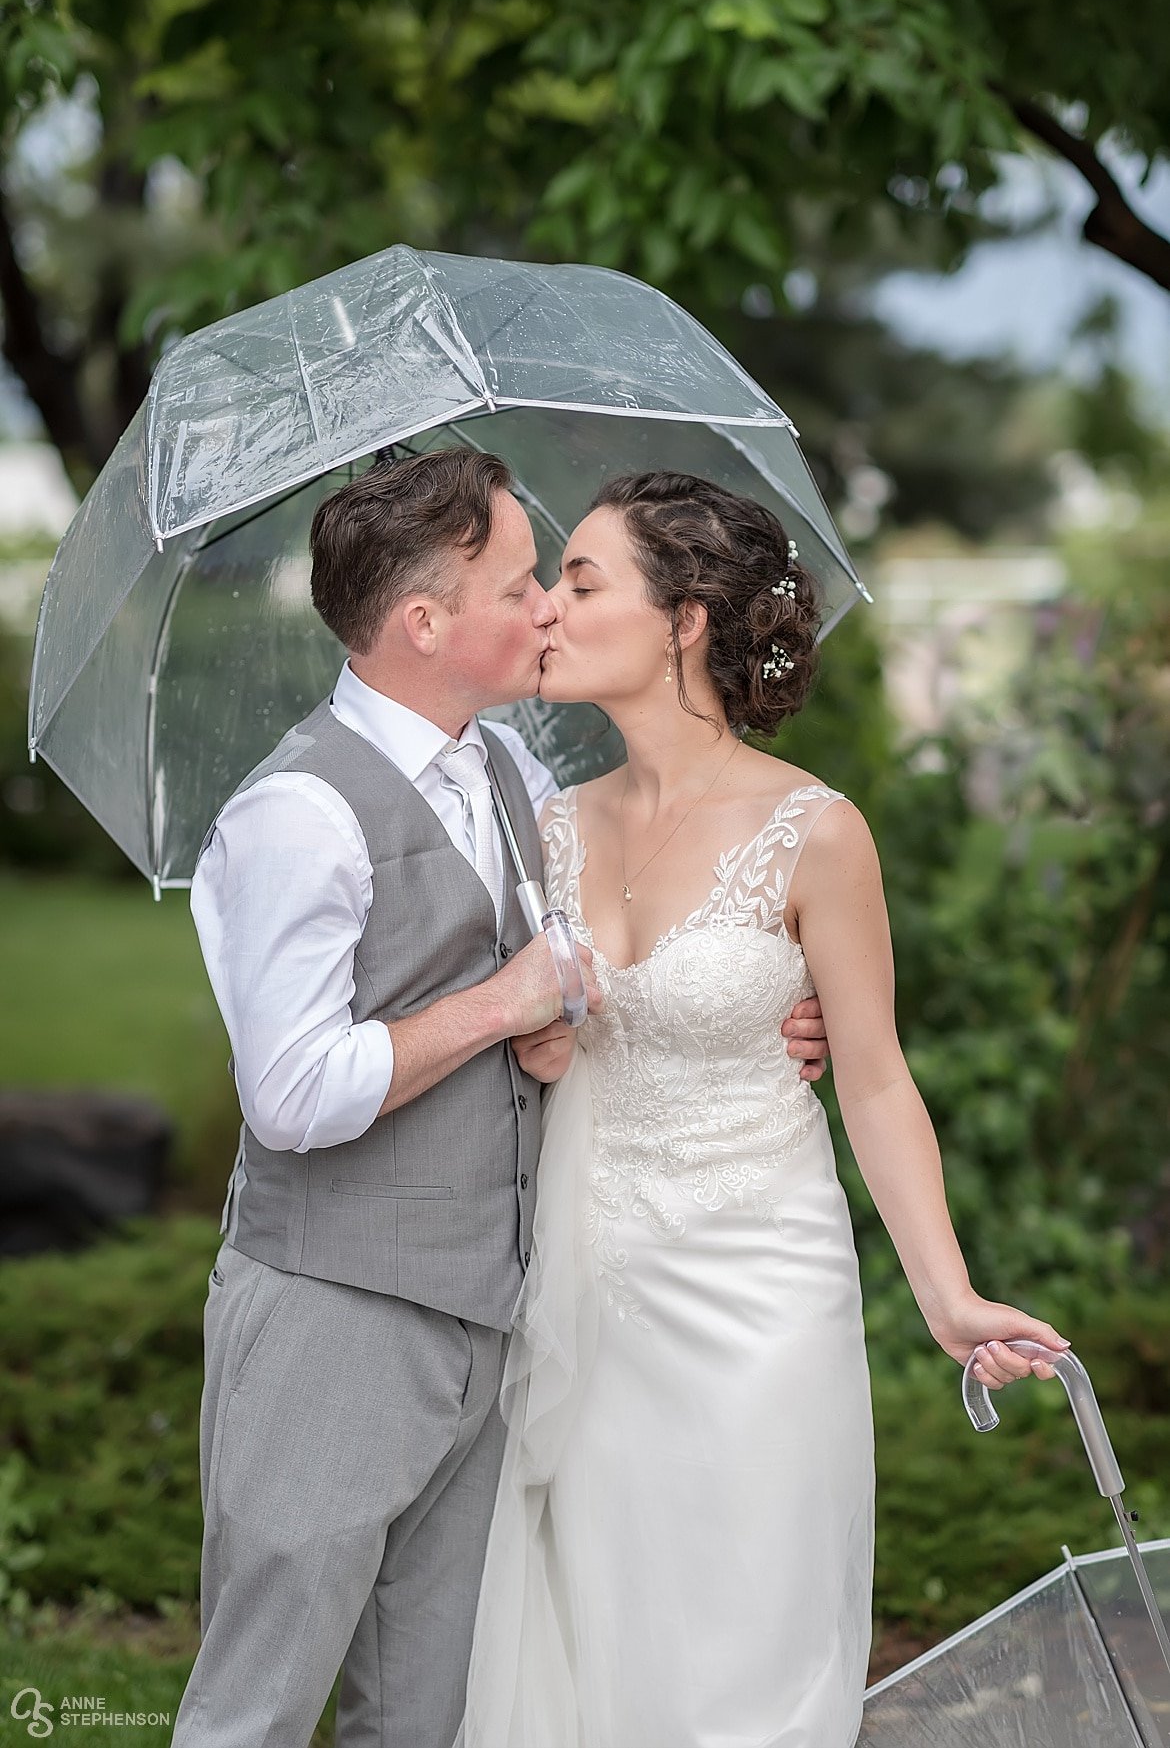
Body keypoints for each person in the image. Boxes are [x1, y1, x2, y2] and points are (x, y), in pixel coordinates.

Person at [171, 449, 831, 1748]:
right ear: (426, 623)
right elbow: (292, 1093)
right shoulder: (295, 815)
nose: (547, 608)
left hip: (491, 1320)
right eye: (522, 582)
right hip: (333, 1320)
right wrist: (500, 1002)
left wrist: (746, 1023)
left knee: (424, 1714)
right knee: (256, 1706)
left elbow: (597, 976)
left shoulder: (509, 774)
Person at [455, 471, 1070, 1748]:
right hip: (580, 1304)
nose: (550, 613)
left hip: (756, 1292)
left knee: (743, 1654)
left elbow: (875, 1074)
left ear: (684, 619)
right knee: (595, 1645)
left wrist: (947, 1297)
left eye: (580, 582)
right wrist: (546, 1046)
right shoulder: (545, 828)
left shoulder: (816, 831)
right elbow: (525, 1037)